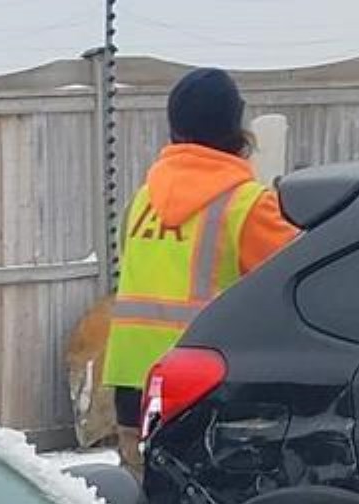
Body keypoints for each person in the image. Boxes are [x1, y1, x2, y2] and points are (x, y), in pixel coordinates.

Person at [106, 68, 297, 469]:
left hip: (132, 387)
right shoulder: (248, 206)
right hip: (200, 389)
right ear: (237, 127)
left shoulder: (143, 200)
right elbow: (308, 280)